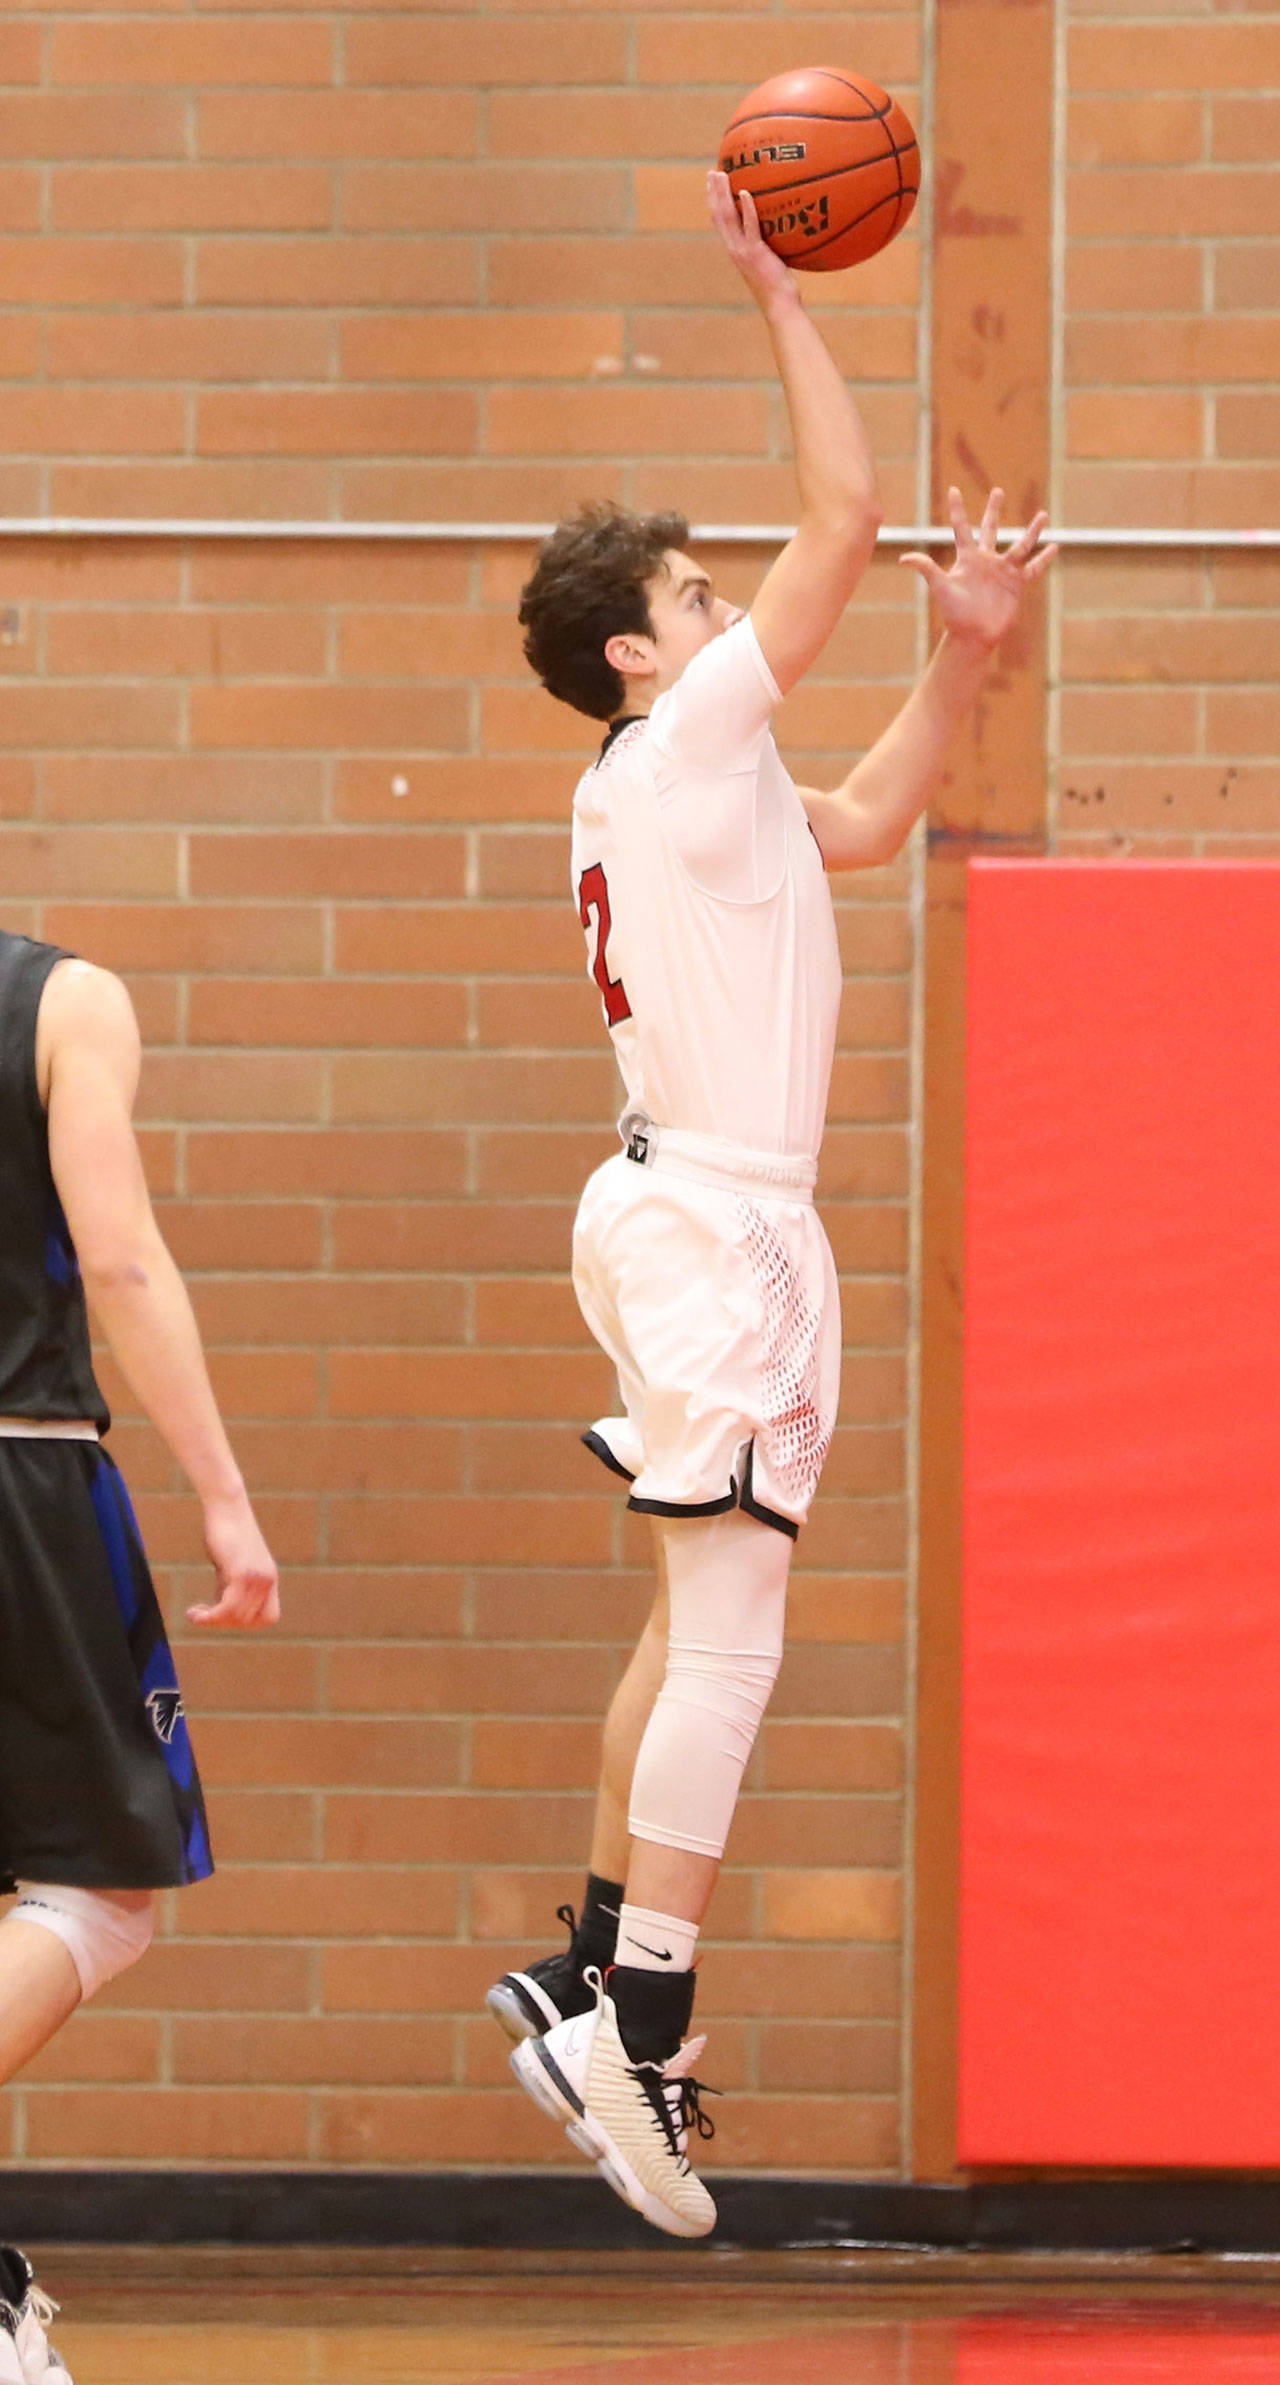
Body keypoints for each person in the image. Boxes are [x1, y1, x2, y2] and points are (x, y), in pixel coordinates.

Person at [488, 171, 1056, 2239]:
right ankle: (637, 2022)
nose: (734, 617)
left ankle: (589, 1963)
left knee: (691, 1610)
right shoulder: (673, 745)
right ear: (638, 649)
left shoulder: (691, 790)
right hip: (712, 1218)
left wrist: (963, 653)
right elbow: (843, 517)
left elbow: (875, 815)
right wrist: (780, 295)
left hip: (690, 1209)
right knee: (735, 1634)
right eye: (701, 597)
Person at [0, 933, 279, 2380]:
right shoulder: (62, 999)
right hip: (20, 1478)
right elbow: (117, 1256)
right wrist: (223, 1493)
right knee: (97, 1901)